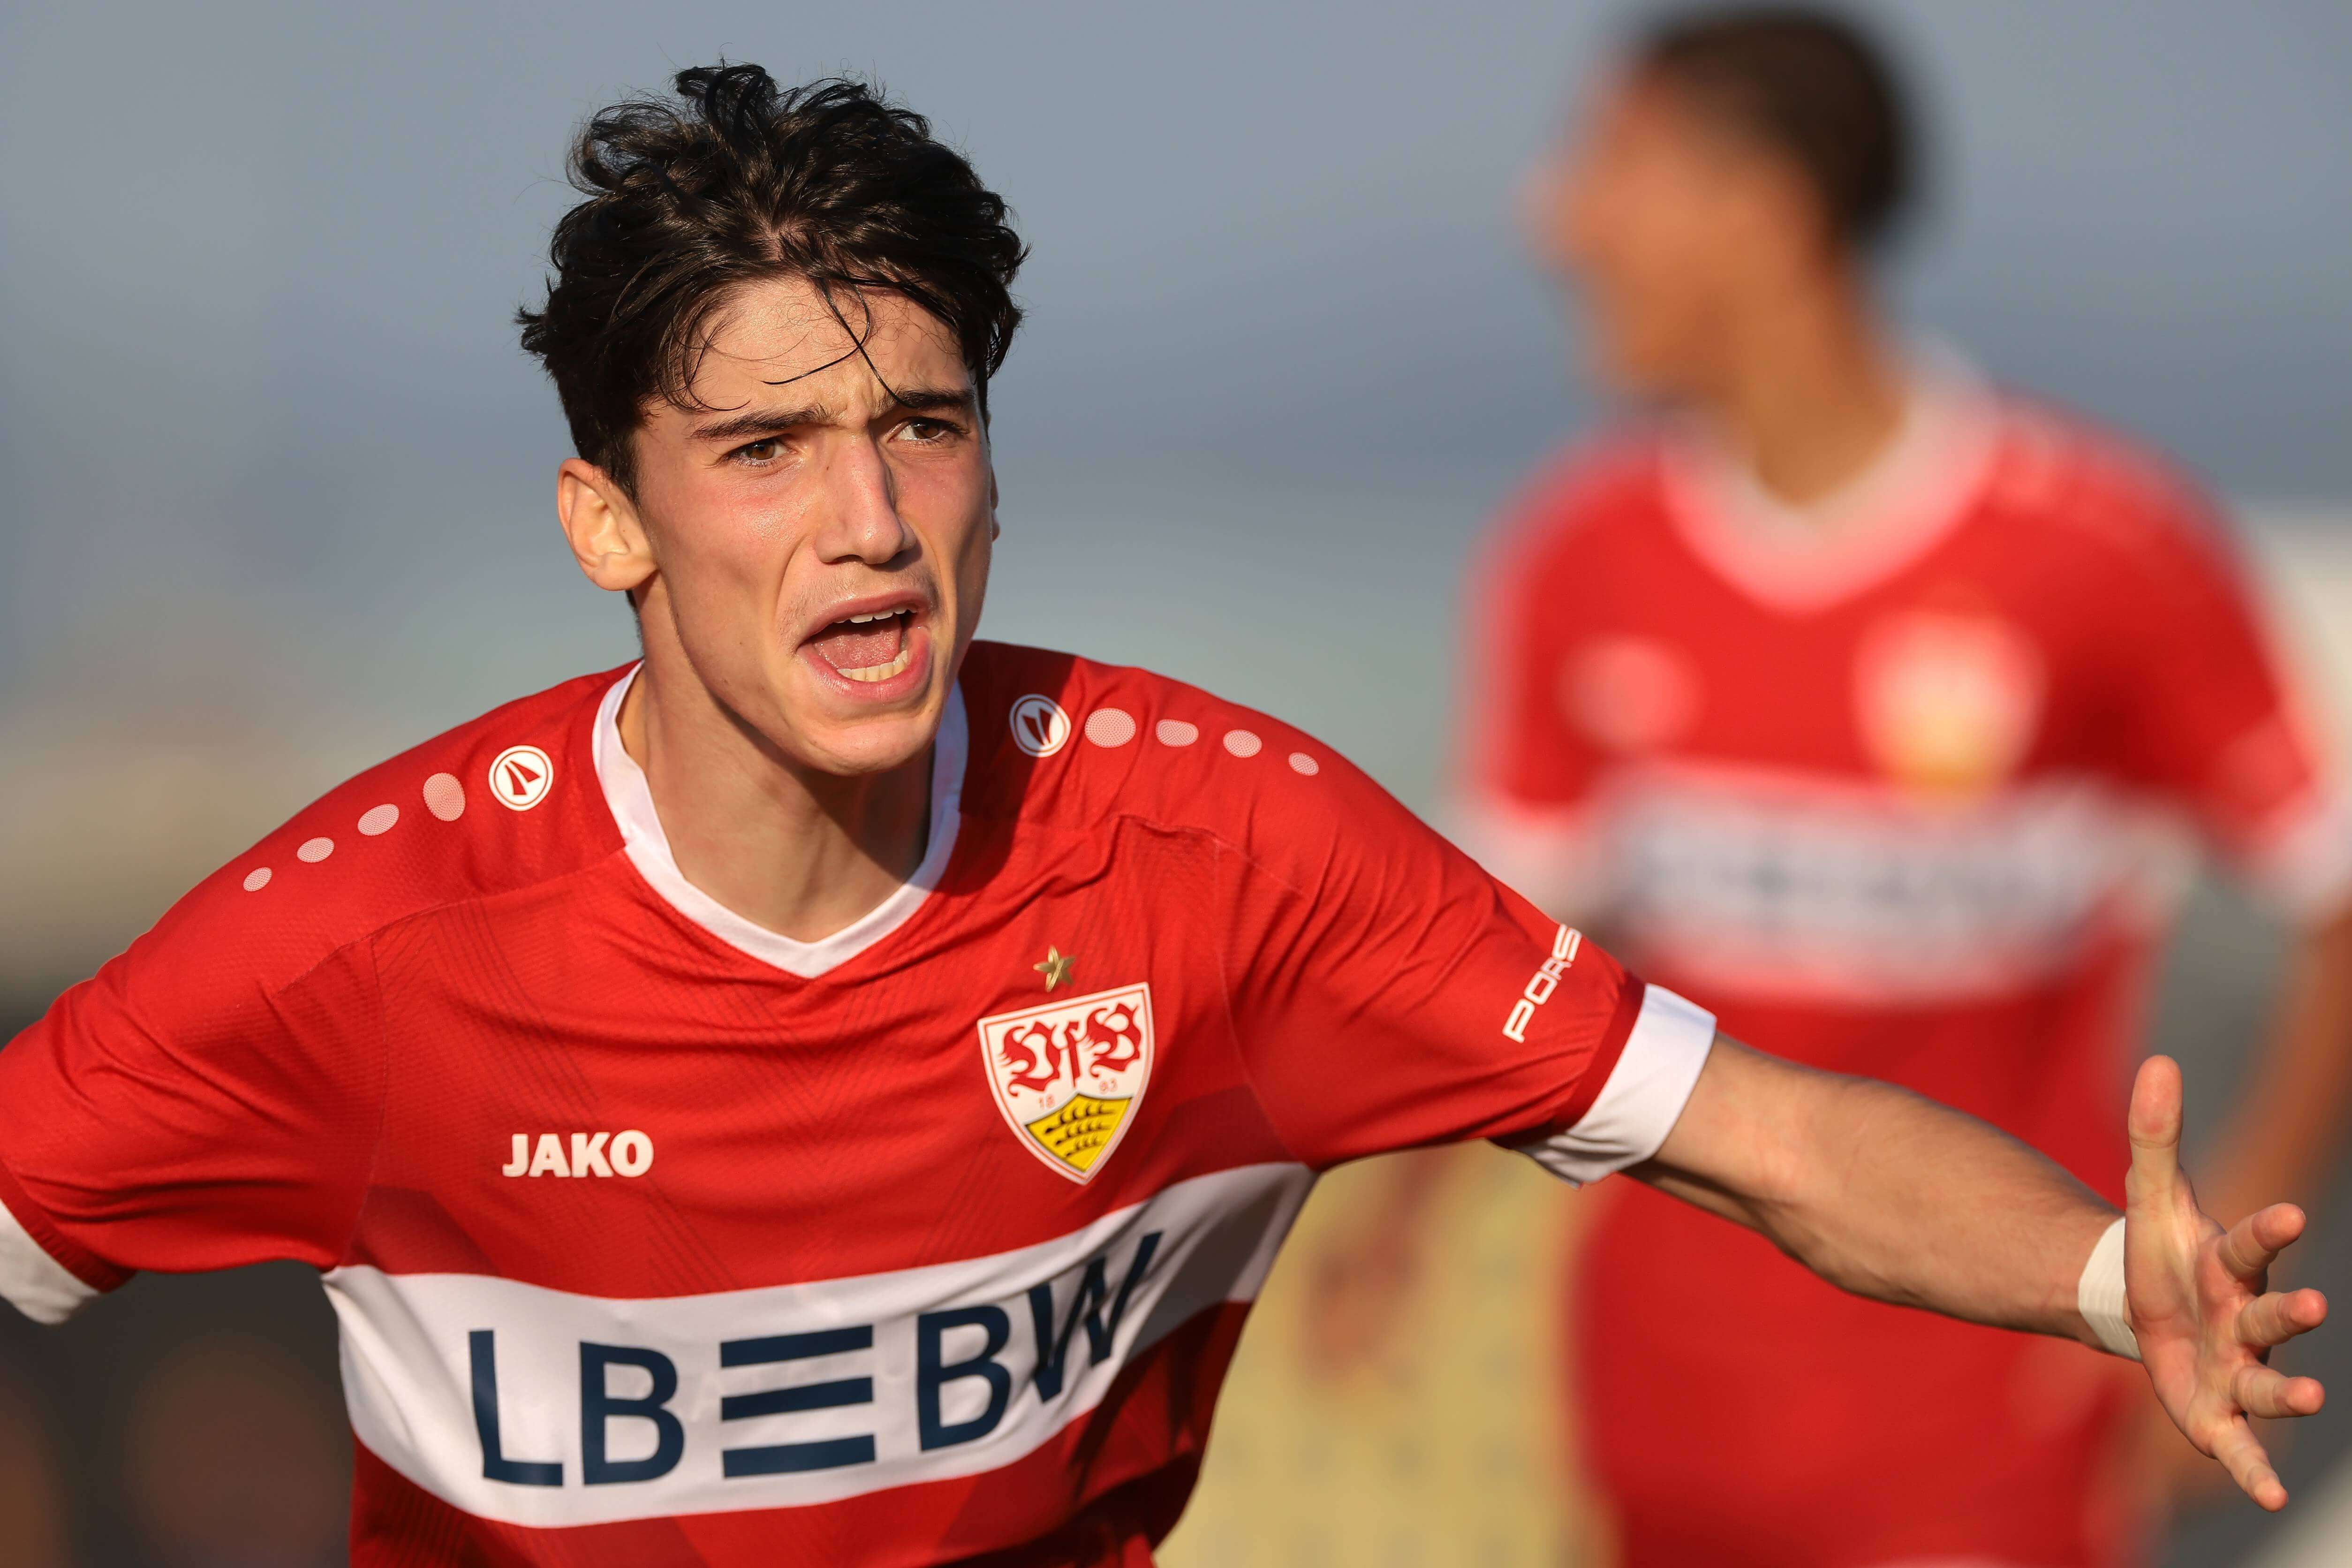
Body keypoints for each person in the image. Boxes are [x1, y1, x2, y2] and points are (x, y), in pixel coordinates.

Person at [0, 61, 2326, 1568]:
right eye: (764, 449)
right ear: (607, 519)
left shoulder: (1223, 853)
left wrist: (2125, 1275)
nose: (870, 517)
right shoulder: (369, 938)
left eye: (923, 424)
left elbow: (1789, 1138)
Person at [1317, 9, 2352, 1568]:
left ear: (1764, 202)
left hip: (1991, 1434)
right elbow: (1505, 959)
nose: (1558, 214)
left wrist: (2211, 1275)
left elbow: (2334, 908)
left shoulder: (2103, 553)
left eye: (1615, 161)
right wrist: (1384, 1226)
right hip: (1659, 1424)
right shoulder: (1577, 561)